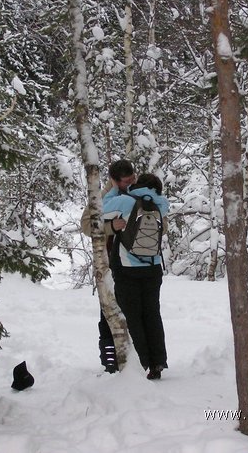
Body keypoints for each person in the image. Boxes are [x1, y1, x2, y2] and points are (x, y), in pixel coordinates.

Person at [103, 173, 169, 380]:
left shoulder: (126, 201)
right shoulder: (161, 204)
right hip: (153, 267)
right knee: (152, 315)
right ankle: (158, 362)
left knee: (134, 317)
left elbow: (101, 209)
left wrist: (115, 187)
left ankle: (142, 363)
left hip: (127, 268)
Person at [80, 160, 136, 373]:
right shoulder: (103, 197)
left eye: (132, 178)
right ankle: (110, 357)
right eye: (126, 181)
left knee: (136, 312)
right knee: (108, 310)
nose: (130, 183)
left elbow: (161, 223)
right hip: (110, 262)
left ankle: (136, 356)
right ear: (114, 180)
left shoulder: (141, 192)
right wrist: (112, 226)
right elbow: (86, 225)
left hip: (137, 263)